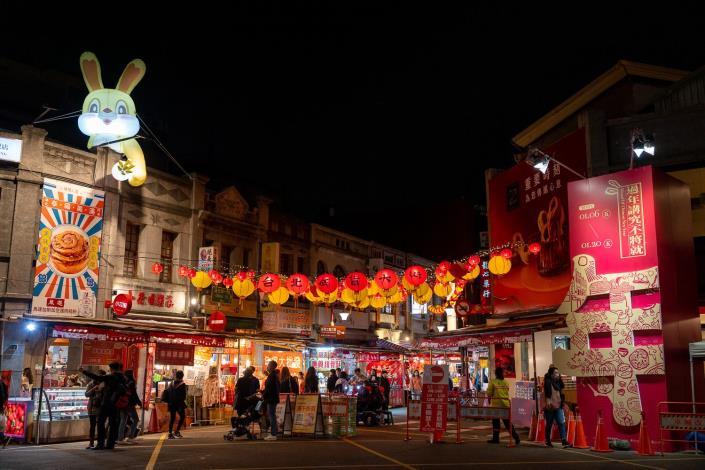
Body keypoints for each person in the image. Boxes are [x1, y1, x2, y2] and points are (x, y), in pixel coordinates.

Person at [80, 362, 126, 450]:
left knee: (100, 423)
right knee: (113, 424)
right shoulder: (122, 378)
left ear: (111, 369)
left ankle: (100, 444)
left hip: (107, 403)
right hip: (116, 404)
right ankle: (110, 444)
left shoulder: (111, 376)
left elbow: (97, 377)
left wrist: (84, 371)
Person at [486, 367, 520, 445]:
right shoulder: (506, 382)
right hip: (505, 405)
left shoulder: (493, 382)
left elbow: (489, 393)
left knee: (496, 423)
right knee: (507, 423)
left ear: (496, 374)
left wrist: (489, 400)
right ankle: (516, 437)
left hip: (496, 406)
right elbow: (506, 391)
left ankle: (496, 439)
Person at [544, 366, 570, 448]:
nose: (557, 374)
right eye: (555, 373)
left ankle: (564, 440)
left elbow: (562, 393)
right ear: (551, 374)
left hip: (558, 406)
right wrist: (548, 401)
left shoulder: (559, 382)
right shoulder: (548, 382)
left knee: (561, 422)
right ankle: (548, 440)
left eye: (558, 372)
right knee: (549, 424)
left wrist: (562, 403)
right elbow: (547, 393)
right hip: (550, 406)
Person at [117, 370, 142, 444]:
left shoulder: (123, 382)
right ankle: (131, 437)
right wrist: (139, 402)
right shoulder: (131, 383)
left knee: (123, 420)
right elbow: (134, 394)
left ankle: (120, 438)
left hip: (122, 403)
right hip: (129, 404)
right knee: (136, 419)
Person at [85, 370, 106, 449]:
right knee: (92, 426)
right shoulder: (91, 384)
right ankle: (91, 443)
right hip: (91, 408)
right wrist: (93, 389)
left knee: (101, 426)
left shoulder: (104, 385)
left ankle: (101, 442)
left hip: (100, 408)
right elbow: (86, 394)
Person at [165, 370, 187, 439]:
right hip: (178, 404)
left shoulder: (171, 383)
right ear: (182, 376)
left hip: (171, 404)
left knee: (172, 418)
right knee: (182, 416)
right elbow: (183, 396)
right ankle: (177, 431)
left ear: (176, 376)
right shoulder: (182, 384)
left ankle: (170, 433)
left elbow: (167, 392)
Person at [263, 360, 280, 440]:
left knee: (271, 416)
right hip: (273, 398)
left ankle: (273, 434)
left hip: (271, 399)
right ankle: (274, 432)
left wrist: (263, 393)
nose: (267, 366)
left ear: (273, 366)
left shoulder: (272, 376)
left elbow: (269, 389)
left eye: (269, 365)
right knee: (272, 415)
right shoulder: (274, 376)